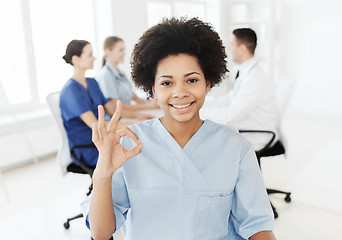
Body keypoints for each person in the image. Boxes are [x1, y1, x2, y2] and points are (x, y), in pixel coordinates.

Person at [81, 18, 276, 240]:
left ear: (208, 84)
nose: (180, 92)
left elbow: (258, 227)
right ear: (152, 89)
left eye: (192, 80)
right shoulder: (129, 144)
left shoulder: (236, 148)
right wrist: (102, 174)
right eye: (167, 83)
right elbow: (101, 233)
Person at [200, 28, 279, 151]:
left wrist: (198, 112)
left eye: (232, 45)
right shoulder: (247, 71)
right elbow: (229, 99)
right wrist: (202, 104)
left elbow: (231, 115)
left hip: (256, 134)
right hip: (247, 125)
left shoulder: (254, 78)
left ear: (242, 48)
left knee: (206, 140)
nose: (230, 49)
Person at [60, 40, 133, 167]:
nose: (94, 58)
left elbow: (113, 111)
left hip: (104, 140)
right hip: (88, 148)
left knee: (138, 145)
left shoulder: (92, 83)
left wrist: (142, 117)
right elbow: (97, 127)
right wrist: (135, 124)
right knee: (135, 153)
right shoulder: (70, 91)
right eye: (89, 55)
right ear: (76, 59)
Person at [96, 36, 159, 116]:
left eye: (124, 49)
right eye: (120, 50)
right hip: (117, 120)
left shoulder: (121, 73)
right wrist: (147, 106)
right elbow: (116, 106)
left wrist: (150, 104)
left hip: (127, 115)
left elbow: (133, 96)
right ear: (108, 52)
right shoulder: (105, 75)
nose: (124, 53)